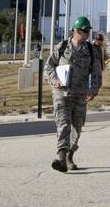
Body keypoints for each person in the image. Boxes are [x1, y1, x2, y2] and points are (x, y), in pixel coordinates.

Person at [44, 15, 103, 173]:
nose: (87, 34)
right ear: (76, 31)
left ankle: (70, 154)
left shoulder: (90, 50)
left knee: (77, 128)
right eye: (85, 31)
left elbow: (97, 72)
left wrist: (93, 90)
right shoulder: (62, 46)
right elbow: (48, 66)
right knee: (63, 125)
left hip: (80, 95)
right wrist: (54, 80)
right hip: (61, 94)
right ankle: (61, 158)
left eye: (88, 31)